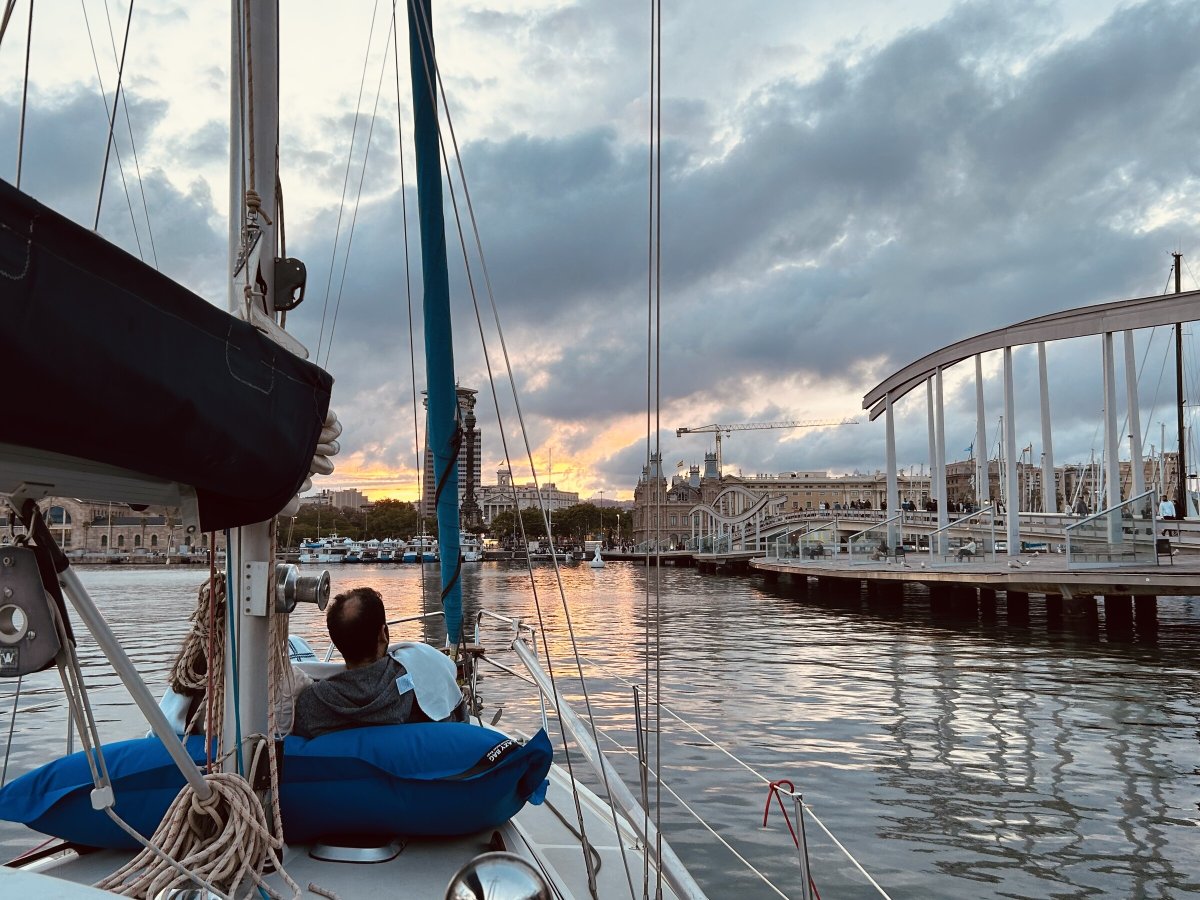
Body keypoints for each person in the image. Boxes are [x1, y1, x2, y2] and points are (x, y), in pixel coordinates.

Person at [292, 586, 464, 739]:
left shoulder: (312, 704)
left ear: (337, 643)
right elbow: (455, 719)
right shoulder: (422, 686)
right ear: (383, 634)